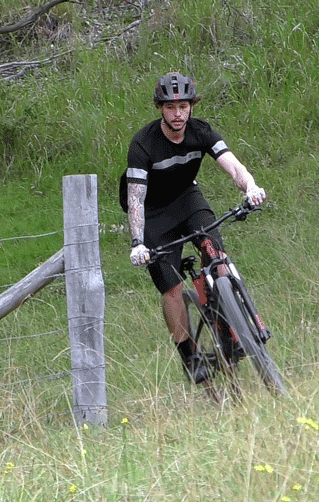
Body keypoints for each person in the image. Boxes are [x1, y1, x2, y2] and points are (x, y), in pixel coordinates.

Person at [125, 71, 267, 384]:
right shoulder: (143, 143)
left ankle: (232, 325)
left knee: (215, 254)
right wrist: (138, 241)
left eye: (184, 107)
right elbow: (135, 199)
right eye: (171, 107)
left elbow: (232, 164)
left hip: (187, 199)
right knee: (172, 287)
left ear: (192, 107)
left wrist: (250, 187)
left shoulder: (200, 131)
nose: (178, 114)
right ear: (160, 108)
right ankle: (189, 355)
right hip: (153, 212)